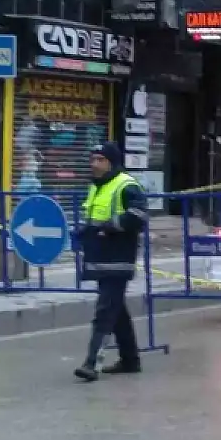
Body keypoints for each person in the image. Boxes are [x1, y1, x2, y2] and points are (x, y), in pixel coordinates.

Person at [74, 143, 149, 382]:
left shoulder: (126, 185)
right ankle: (130, 359)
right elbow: (95, 218)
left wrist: (111, 226)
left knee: (105, 310)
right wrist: (85, 231)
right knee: (116, 310)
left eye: (100, 159)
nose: (94, 164)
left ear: (111, 162)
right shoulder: (96, 187)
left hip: (118, 259)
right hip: (100, 258)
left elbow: (139, 216)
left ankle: (91, 363)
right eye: (93, 159)